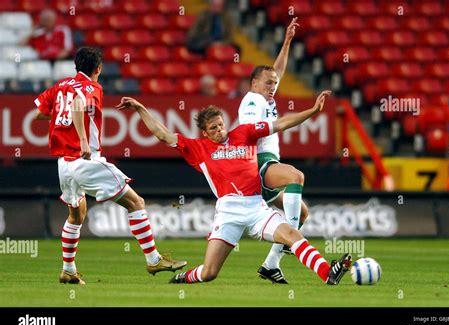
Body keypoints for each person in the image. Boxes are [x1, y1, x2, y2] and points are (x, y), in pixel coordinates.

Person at [116, 91, 352, 286]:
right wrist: (139, 108)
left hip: (256, 206)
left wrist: (312, 111)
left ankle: (327, 273)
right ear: (205, 133)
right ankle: (182, 279)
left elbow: (280, 123)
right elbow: (162, 134)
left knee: (291, 235)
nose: (220, 130)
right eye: (214, 128)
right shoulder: (198, 148)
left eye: (221, 124)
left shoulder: (244, 133)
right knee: (209, 272)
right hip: (228, 211)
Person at [34, 47, 186, 285]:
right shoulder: (91, 87)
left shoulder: (60, 85)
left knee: (76, 215)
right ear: (99, 68)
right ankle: (153, 259)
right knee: (136, 202)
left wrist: (60, 117)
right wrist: (83, 139)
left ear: (76, 66)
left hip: (63, 164)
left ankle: (68, 270)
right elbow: (77, 106)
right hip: (85, 160)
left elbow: (39, 114)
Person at [238, 18, 307, 284]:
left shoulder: (264, 94)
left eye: (274, 85)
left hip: (267, 161)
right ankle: (292, 237)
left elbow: (275, 72)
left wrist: (287, 41)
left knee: (302, 213)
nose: (273, 87)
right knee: (295, 177)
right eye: (268, 83)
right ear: (254, 83)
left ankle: (271, 264)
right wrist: (285, 121)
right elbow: (252, 131)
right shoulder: (253, 100)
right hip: (258, 161)